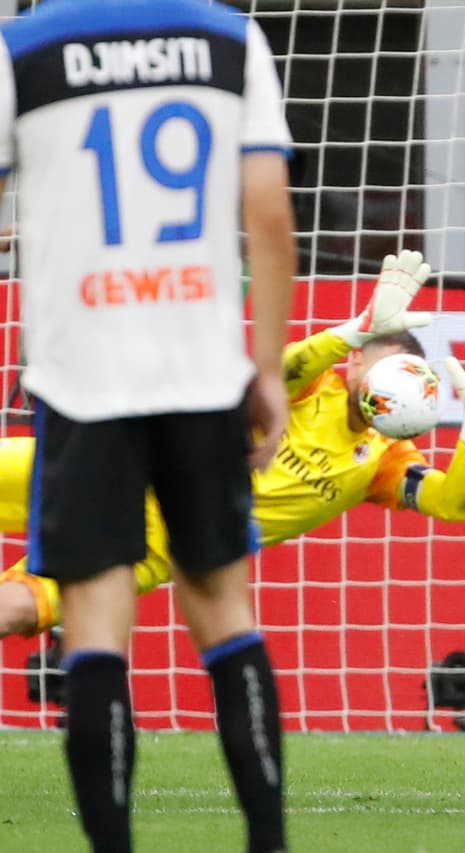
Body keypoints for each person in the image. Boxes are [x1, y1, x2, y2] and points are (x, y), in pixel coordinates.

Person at [0, 1, 298, 849]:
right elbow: (269, 217)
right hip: (201, 370)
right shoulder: (229, 38)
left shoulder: (22, 45)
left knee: (95, 627)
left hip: (82, 378)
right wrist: (269, 367)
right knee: (225, 612)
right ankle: (269, 842)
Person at [0, 253, 465, 644]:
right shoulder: (306, 386)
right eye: (371, 361)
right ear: (352, 363)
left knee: (17, 611)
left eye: (401, 375)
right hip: (119, 470)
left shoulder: (384, 465)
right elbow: (280, 371)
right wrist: (351, 331)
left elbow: (452, 502)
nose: (376, 381)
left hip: (150, 544)